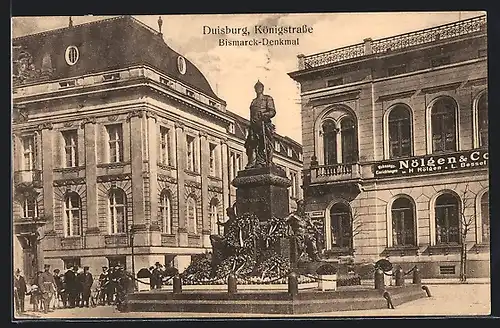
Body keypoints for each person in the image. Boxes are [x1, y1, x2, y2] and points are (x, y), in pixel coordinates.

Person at [245, 80, 277, 169]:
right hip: (254, 125)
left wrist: (264, 115)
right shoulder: (253, 102)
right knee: (251, 144)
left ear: (263, 88)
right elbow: (251, 115)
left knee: (266, 143)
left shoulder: (267, 98)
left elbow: (272, 111)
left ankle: (267, 161)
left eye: (260, 87)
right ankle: (254, 162)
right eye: (256, 88)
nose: (258, 89)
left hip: (264, 123)